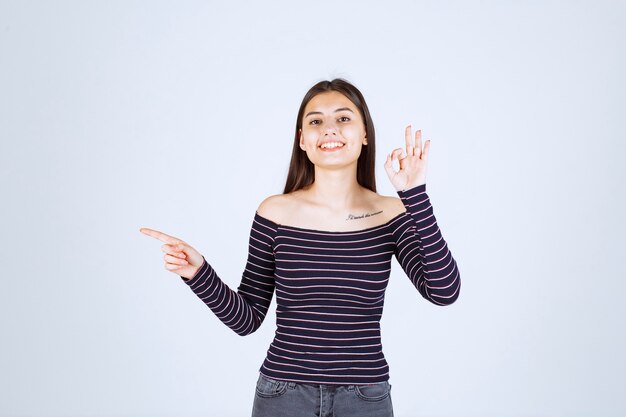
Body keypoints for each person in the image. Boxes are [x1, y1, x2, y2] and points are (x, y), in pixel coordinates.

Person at [140, 78, 461, 417]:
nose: (329, 130)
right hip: (283, 395)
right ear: (302, 139)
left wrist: (415, 196)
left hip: (365, 397)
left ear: (365, 133)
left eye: (343, 118)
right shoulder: (275, 212)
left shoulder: (390, 214)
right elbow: (247, 319)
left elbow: (444, 291)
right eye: (315, 121)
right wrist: (198, 273)